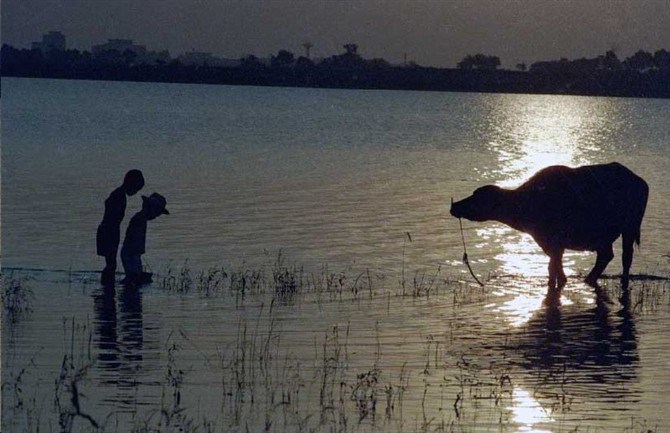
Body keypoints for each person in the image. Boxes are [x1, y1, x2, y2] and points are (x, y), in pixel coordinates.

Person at [97, 170, 145, 285]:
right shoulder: (118, 196)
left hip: (109, 232)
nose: (135, 192)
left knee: (111, 264)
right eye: (136, 188)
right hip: (108, 232)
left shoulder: (119, 194)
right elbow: (112, 218)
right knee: (111, 264)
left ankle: (108, 287)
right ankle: (107, 287)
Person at [121, 192, 169, 287]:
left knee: (133, 278)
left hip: (132, 254)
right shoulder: (139, 220)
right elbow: (133, 242)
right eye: (157, 212)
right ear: (149, 208)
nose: (157, 216)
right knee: (133, 278)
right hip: (131, 254)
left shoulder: (140, 219)